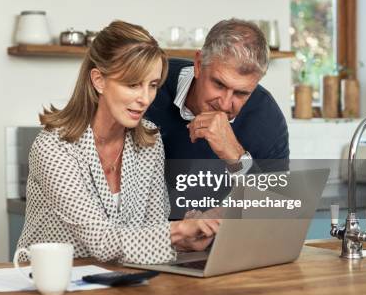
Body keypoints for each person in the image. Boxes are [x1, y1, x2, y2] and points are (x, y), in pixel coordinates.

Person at [17, 20, 220, 264]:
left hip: (121, 283)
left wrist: (184, 241)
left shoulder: (150, 142)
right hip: (50, 283)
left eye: (152, 85)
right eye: (133, 84)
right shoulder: (54, 147)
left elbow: (152, 229)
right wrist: (177, 231)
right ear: (99, 80)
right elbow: (101, 240)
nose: (145, 99)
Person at [146, 18, 289, 177]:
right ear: (199, 65)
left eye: (241, 93)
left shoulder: (267, 117)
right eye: (219, 84)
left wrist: (236, 157)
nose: (225, 105)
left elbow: (278, 200)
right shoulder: (151, 82)